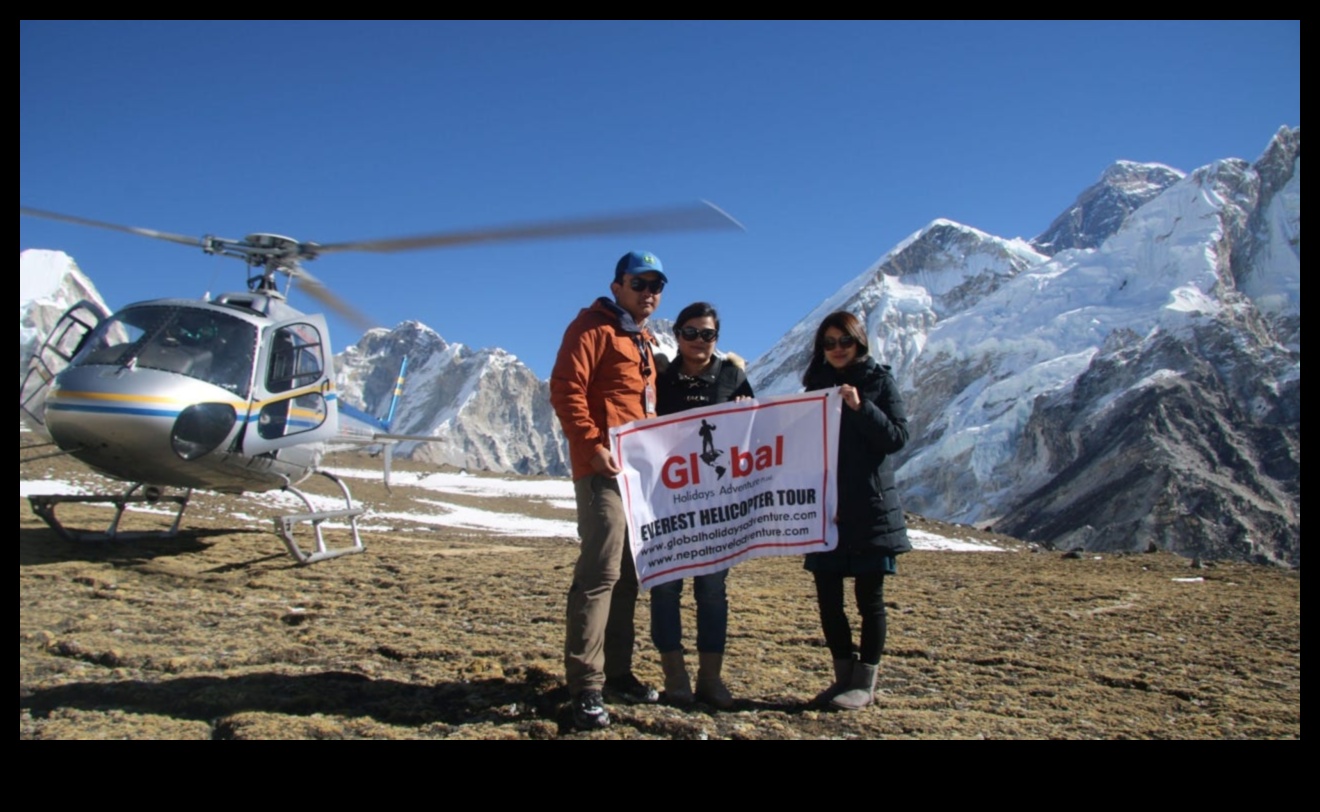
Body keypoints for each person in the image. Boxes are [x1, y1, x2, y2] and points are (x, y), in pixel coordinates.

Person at [549, 250, 667, 729]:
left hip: (638, 475)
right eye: (639, 283)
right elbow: (565, 389)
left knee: (628, 575)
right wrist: (592, 445)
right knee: (599, 572)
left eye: (657, 285)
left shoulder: (642, 340)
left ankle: (617, 672)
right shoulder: (592, 329)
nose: (649, 293)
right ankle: (586, 685)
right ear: (618, 285)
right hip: (601, 470)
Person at [801, 310, 911, 711]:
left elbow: (897, 437)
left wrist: (861, 407)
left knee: (869, 599)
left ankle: (865, 682)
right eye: (828, 343)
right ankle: (842, 679)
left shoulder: (879, 381)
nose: (837, 349)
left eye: (843, 341)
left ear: (859, 341)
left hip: (869, 507)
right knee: (828, 598)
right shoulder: (814, 386)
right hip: (827, 507)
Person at [650, 302, 754, 709]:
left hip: (716, 499)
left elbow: (753, 435)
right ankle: (675, 680)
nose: (698, 340)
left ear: (717, 338)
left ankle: (711, 680)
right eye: (690, 332)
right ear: (676, 334)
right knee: (665, 588)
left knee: (712, 591)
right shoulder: (660, 378)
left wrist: (747, 414)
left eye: (707, 334)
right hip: (667, 500)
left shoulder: (732, 375)